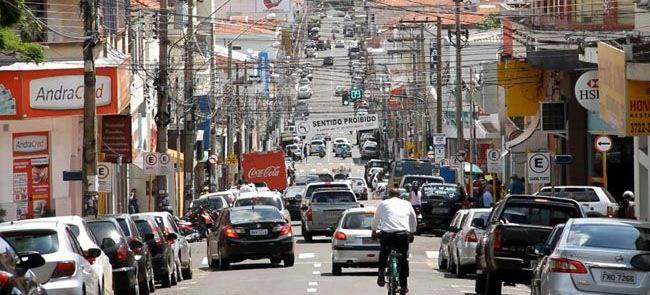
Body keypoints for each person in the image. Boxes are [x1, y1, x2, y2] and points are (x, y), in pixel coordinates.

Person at [372, 189, 417, 295]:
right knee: (403, 260)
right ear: (399, 196)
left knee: (383, 253)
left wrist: (374, 231)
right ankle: (403, 286)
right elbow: (413, 220)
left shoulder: (383, 204)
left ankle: (381, 274)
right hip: (402, 235)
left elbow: (376, 219)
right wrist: (412, 233)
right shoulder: (406, 204)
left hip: (387, 235)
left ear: (389, 195)